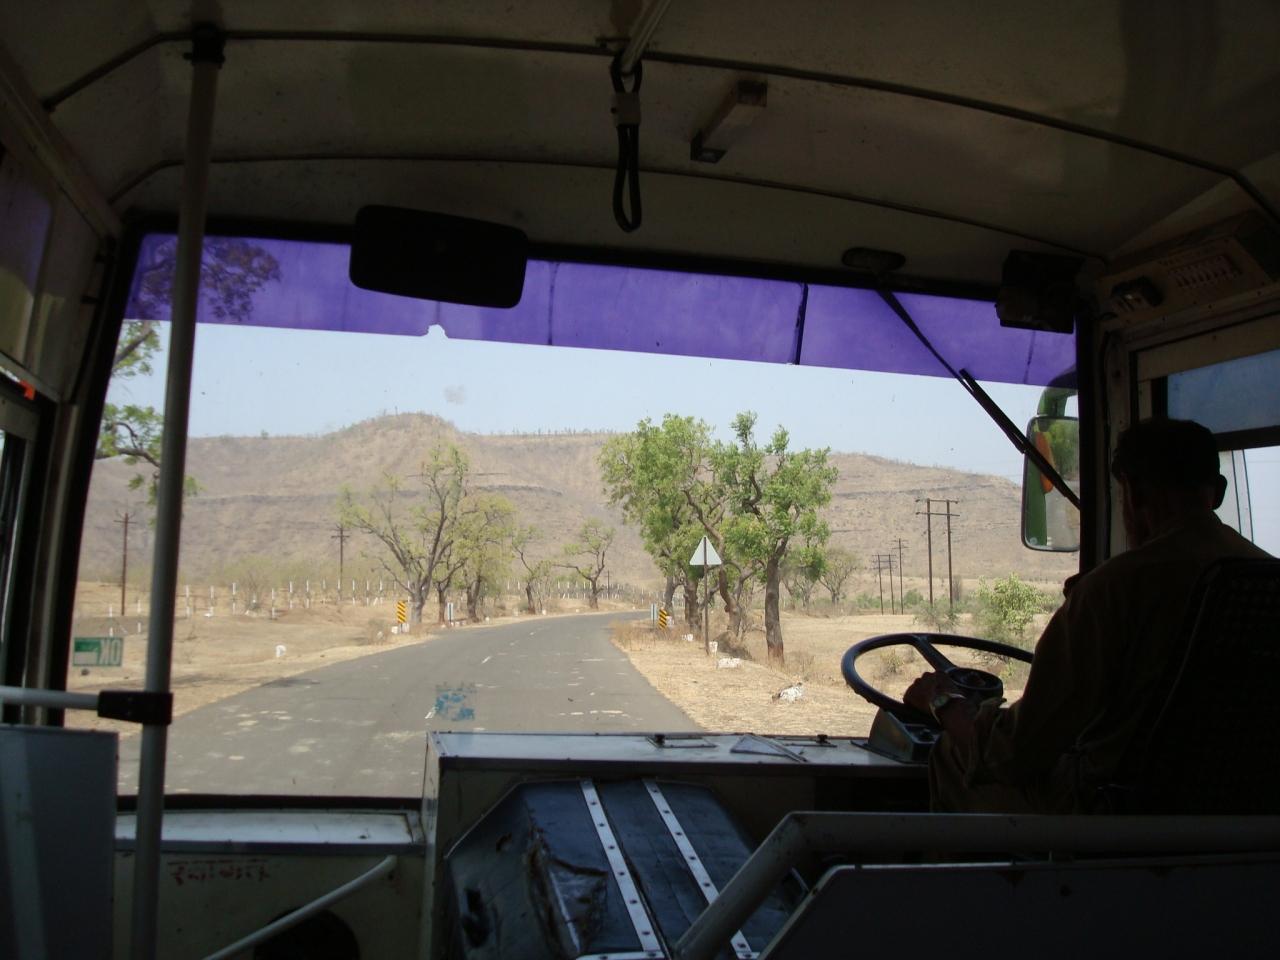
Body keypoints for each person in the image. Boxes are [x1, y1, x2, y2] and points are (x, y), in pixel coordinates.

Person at [904, 418, 1272, 813]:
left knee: (953, 755)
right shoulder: (1266, 582)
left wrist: (944, 700)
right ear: (1218, 493)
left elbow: (1013, 753)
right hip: (1243, 810)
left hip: (1117, 813)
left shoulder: (1115, 589)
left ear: (1134, 493)